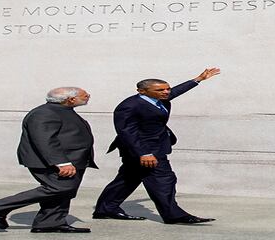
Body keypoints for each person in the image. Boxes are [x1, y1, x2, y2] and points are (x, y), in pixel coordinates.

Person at [93, 68, 220, 224]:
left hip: (152, 147)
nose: (166, 92)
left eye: (167, 88)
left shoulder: (158, 99)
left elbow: (175, 92)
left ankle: (106, 209)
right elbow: (126, 131)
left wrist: (197, 79)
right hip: (145, 150)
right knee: (164, 180)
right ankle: (174, 215)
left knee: (128, 179)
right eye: (160, 90)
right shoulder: (130, 106)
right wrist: (144, 153)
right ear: (142, 91)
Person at [0, 87, 96, 234]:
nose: (88, 96)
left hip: (73, 160)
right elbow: (44, 140)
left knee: (63, 192)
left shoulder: (63, 111)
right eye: (84, 94)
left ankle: (49, 223)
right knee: (59, 188)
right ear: (70, 99)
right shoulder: (44, 113)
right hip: (53, 162)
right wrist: (61, 162)